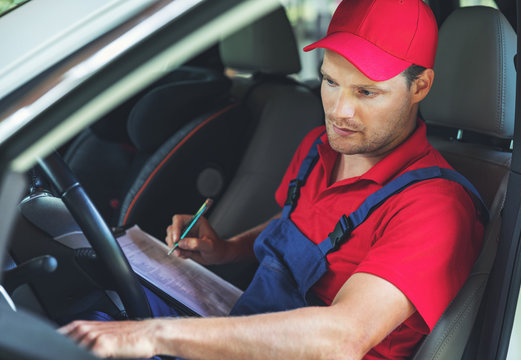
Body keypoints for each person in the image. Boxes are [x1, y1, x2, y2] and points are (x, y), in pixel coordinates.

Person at [59, 0, 486, 358]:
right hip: (257, 335)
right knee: (87, 311)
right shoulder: (320, 147)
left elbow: (344, 337)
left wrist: (152, 334)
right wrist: (224, 249)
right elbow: (295, 225)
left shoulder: (435, 207)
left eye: (366, 92)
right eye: (330, 81)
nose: (339, 111)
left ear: (420, 86)